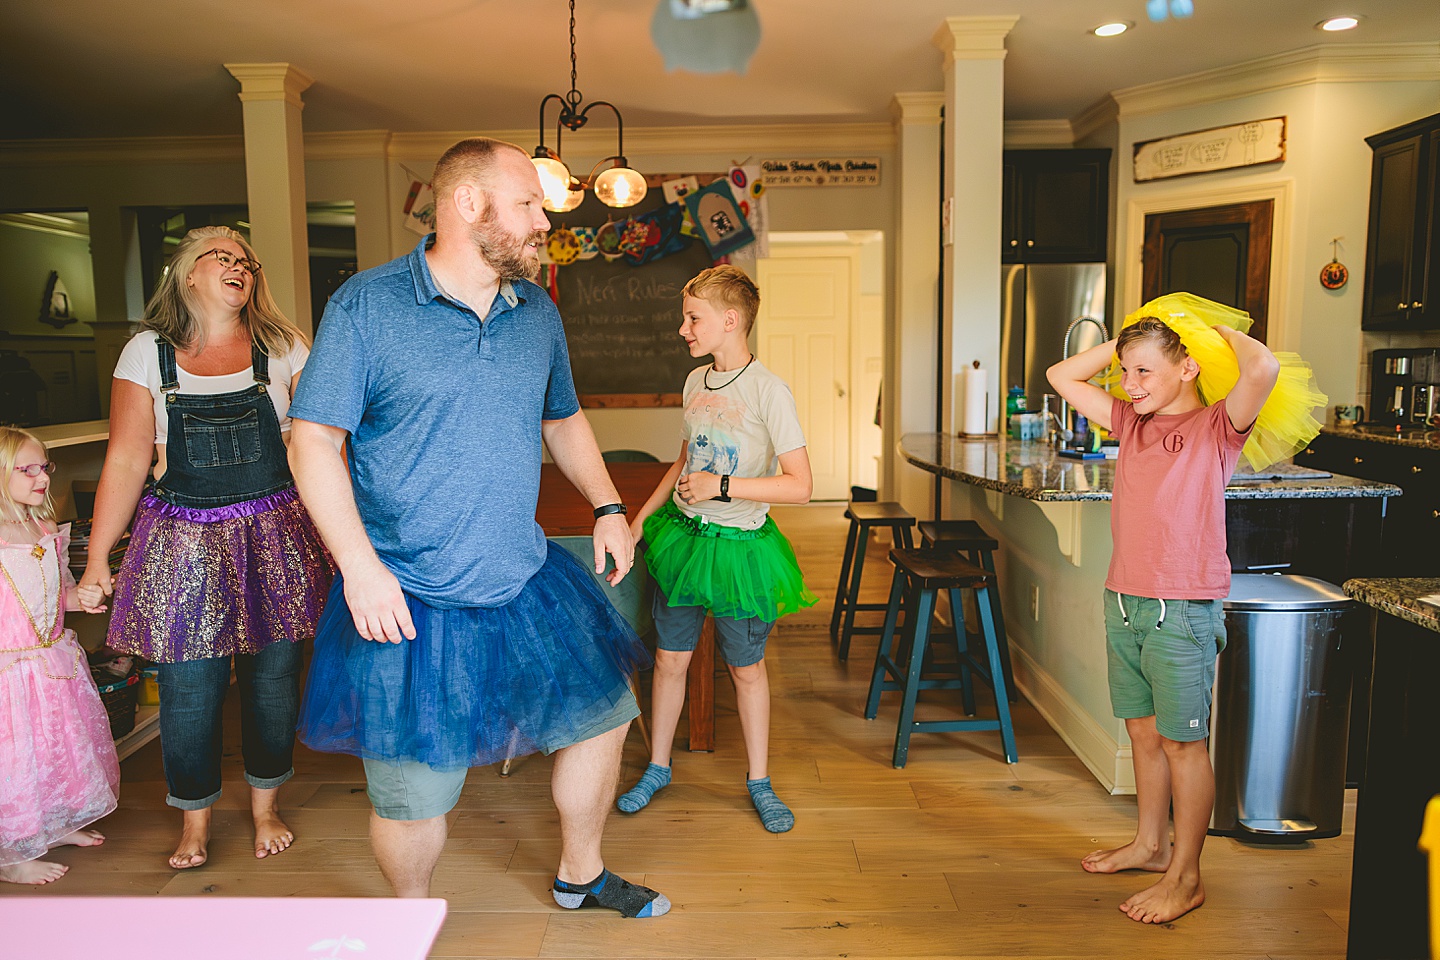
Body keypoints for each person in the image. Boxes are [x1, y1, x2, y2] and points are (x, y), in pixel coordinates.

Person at [288, 137, 667, 918]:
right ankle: (411, 917)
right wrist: (359, 566)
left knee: (604, 718)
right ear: (468, 204)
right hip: (408, 594)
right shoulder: (367, 306)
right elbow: (312, 440)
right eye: (529, 203)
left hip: (525, 579)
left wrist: (605, 506)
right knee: (416, 795)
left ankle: (581, 875)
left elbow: (562, 420)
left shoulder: (538, 313)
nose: (543, 221)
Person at [79, 227, 334, 870]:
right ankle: (194, 819)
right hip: (181, 538)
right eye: (221, 257)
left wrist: (348, 538)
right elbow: (129, 455)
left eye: (246, 259)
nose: (238, 266)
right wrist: (97, 557)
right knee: (189, 685)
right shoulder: (144, 354)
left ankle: (265, 807)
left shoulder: (283, 346)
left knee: (273, 681)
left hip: (276, 532)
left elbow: (317, 450)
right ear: (188, 275)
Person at [1046, 302, 1281, 924]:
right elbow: (1062, 377)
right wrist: (1134, 331)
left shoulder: (1217, 427)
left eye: (1146, 372)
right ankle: (1150, 847)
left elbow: (1262, 366)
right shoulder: (1130, 421)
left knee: (1182, 743)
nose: (1131, 385)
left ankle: (1186, 875)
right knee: (1143, 733)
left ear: (1188, 369)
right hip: (1123, 598)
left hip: (1181, 609)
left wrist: (1200, 326)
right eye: (1126, 372)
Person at [616, 265, 816, 833]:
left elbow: (800, 485)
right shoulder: (694, 383)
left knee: (746, 670)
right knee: (671, 659)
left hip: (742, 550)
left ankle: (759, 781)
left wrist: (722, 487)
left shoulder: (769, 390)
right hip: (684, 542)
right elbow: (684, 462)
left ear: (730, 321)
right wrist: (640, 519)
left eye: (693, 318)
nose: (683, 329)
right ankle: (658, 767)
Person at [0, 427, 118, 884]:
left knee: (58, 747)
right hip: (11, 668)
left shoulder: (45, 528)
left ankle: (56, 822)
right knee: (16, 759)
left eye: (43, 466)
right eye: (25, 470)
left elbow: (55, 592)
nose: (42, 477)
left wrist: (79, 599)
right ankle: (11, 855)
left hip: (52, 661)